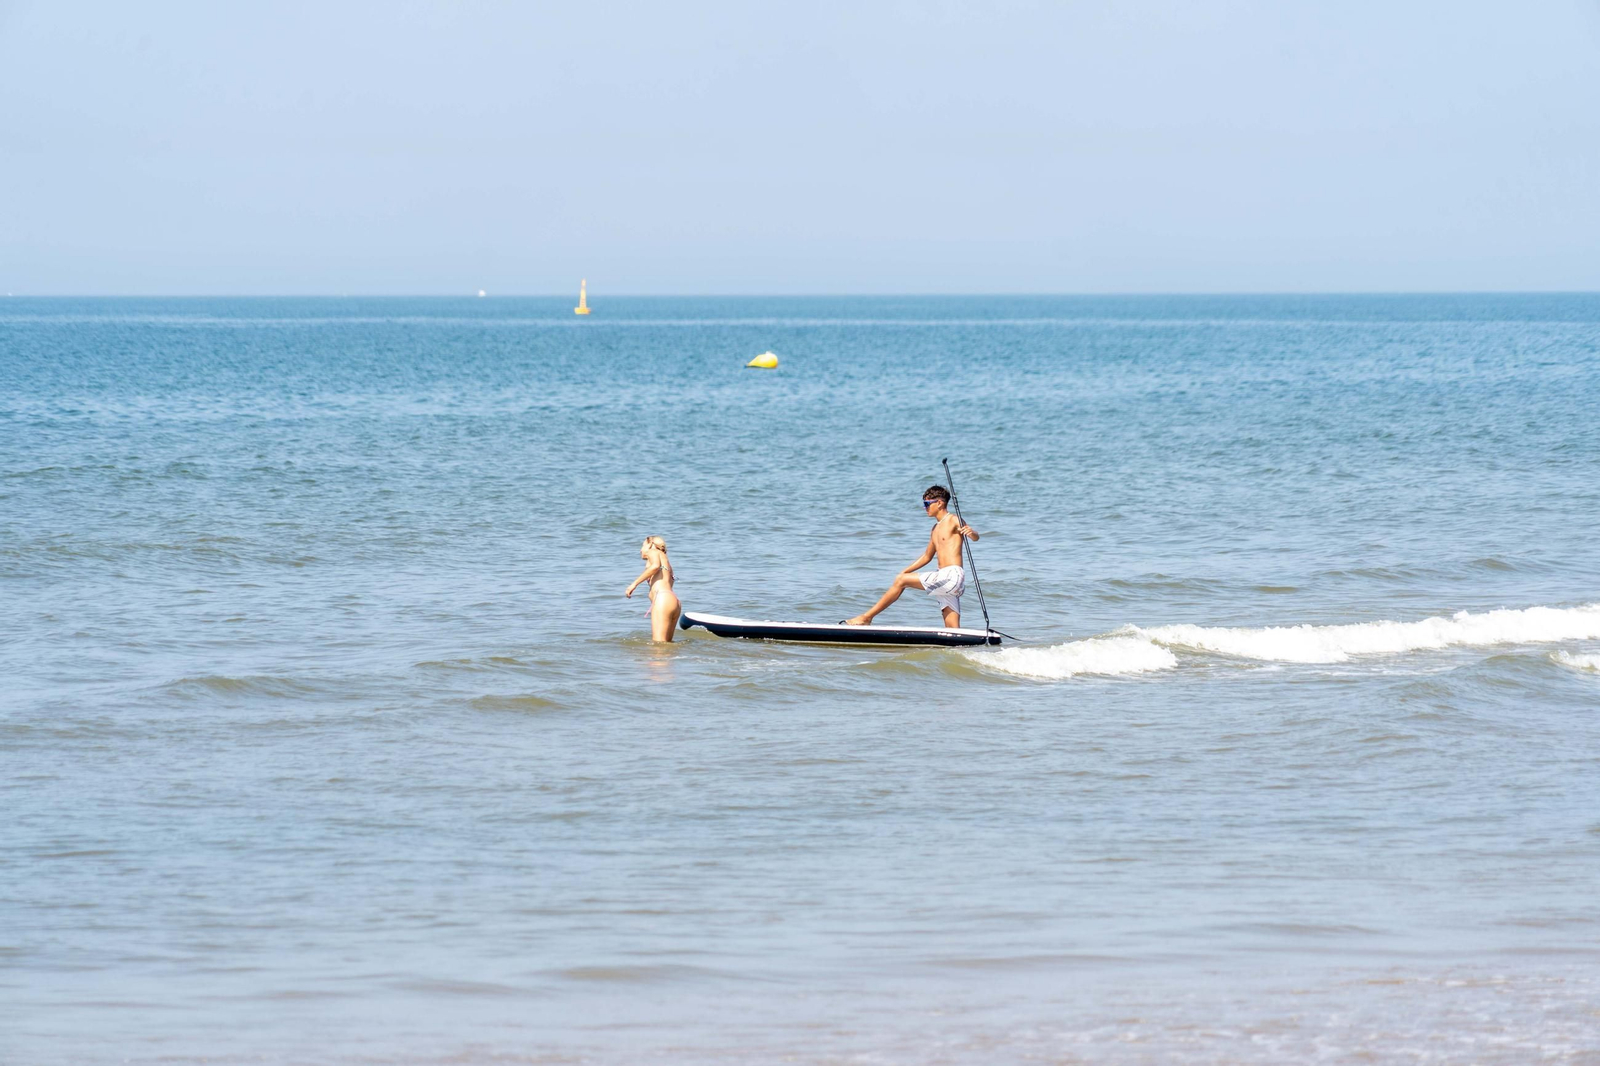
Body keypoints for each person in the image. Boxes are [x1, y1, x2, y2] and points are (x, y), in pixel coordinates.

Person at [844, 485, 978, 628]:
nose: (925, 508)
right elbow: (927, 556)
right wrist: (905, 571)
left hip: (951, 576)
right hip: (943, 579)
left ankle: (866, 618)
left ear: (939, 503)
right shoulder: (935, 528)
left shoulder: (953, 519)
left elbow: (975, 537)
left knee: (901, 580)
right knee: (952, 629)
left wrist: (972, 533)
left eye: (927, 504)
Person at [625, 535, 682, 642]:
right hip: (674, 602)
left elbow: (655, 566)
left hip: (662, 600)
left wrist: (634, 584)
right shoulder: (666, 561)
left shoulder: (653, 551)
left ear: (650, 544)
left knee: (658, 646)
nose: (640, 550)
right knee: (667, 645)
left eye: (642, 546)